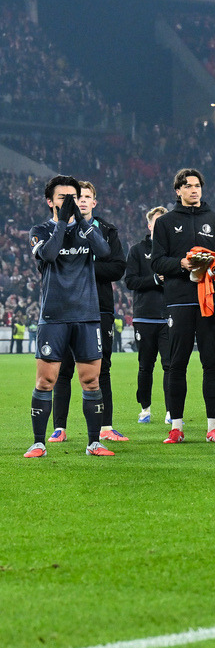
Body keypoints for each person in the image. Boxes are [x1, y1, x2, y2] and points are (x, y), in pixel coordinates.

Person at [25, 175, 113, 458]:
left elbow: (104, 251)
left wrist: (82, 222)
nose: (68, 203)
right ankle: (39, 442)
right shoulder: (39, 230)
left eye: (73, 198)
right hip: (54, 316)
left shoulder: (88, 230)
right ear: (50, 201)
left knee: (91, 381)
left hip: (87, 315)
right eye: (62, 198)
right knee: (46, 381)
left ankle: (94, 443)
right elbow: (49, 255)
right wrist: (62, 223)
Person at [150, 168, 215, 445]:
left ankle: (213, 427)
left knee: (211, 364)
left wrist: (213, 266)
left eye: (197, 185)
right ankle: (176, 427)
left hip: (211, 301)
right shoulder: (165, 223)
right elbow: (157, 262)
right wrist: (181, 264)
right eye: (188, 185)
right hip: (180, 301)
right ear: (178, 190)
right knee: (176, 365)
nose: (194, 189)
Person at [125, 206, 170, 425]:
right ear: (149, 225)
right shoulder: (137, 250)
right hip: (144, 317)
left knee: (171, 366)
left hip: (169, 317)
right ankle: (145, 408)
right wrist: (154, 279)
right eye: (157, 222)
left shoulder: (174, 252)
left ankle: (172, 411)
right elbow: (130, 281)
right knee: (145, 366)